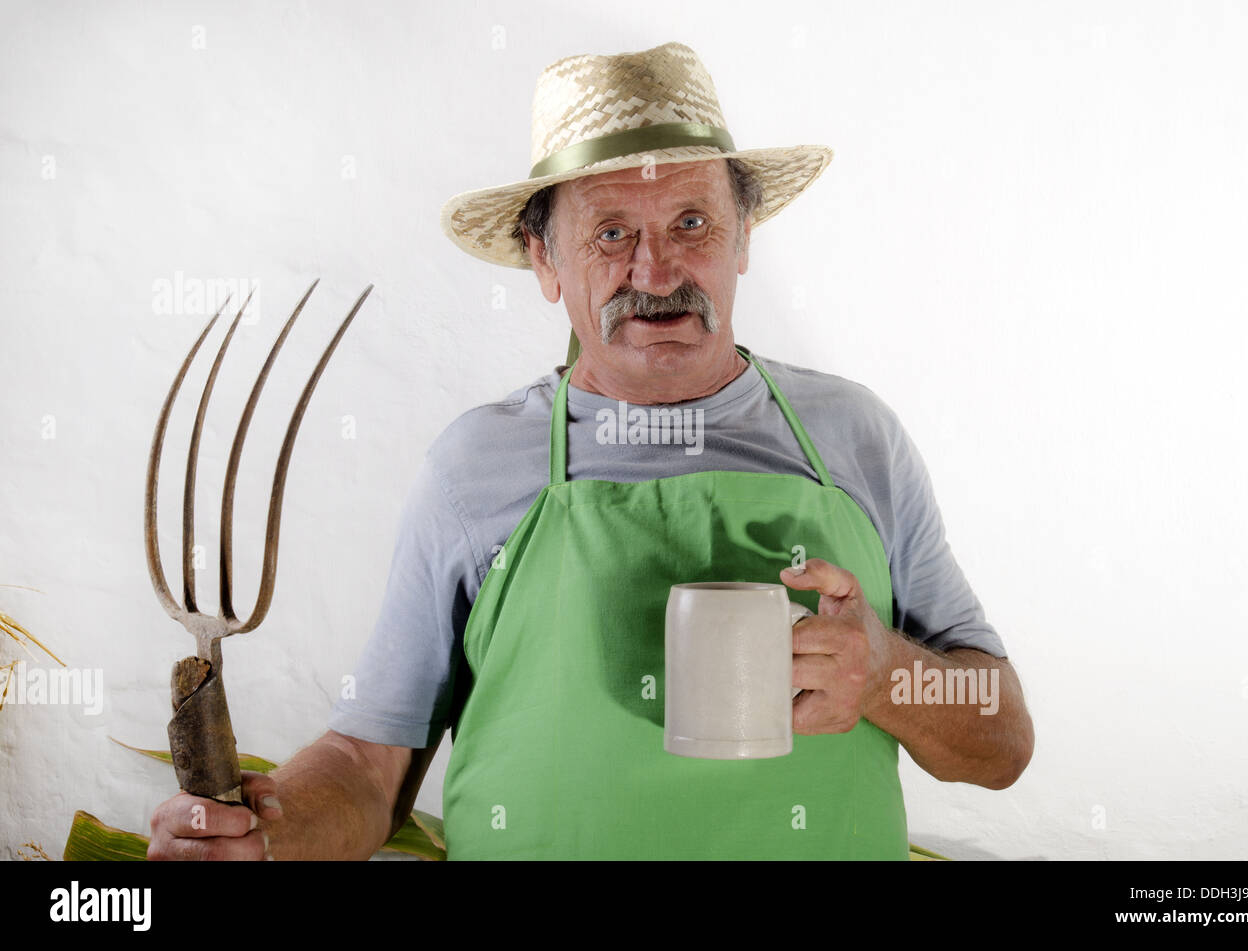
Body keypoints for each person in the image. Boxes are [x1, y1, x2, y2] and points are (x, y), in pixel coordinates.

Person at [149, 41, 1032, 861]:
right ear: (544, 260)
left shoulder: (856, 437)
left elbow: (1002, 743)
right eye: (611, 233)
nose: (657, 272)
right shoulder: (473, 468)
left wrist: (886, 675)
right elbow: (367, 766)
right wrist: (266, 834)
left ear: (745, 238)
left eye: (693, 222)